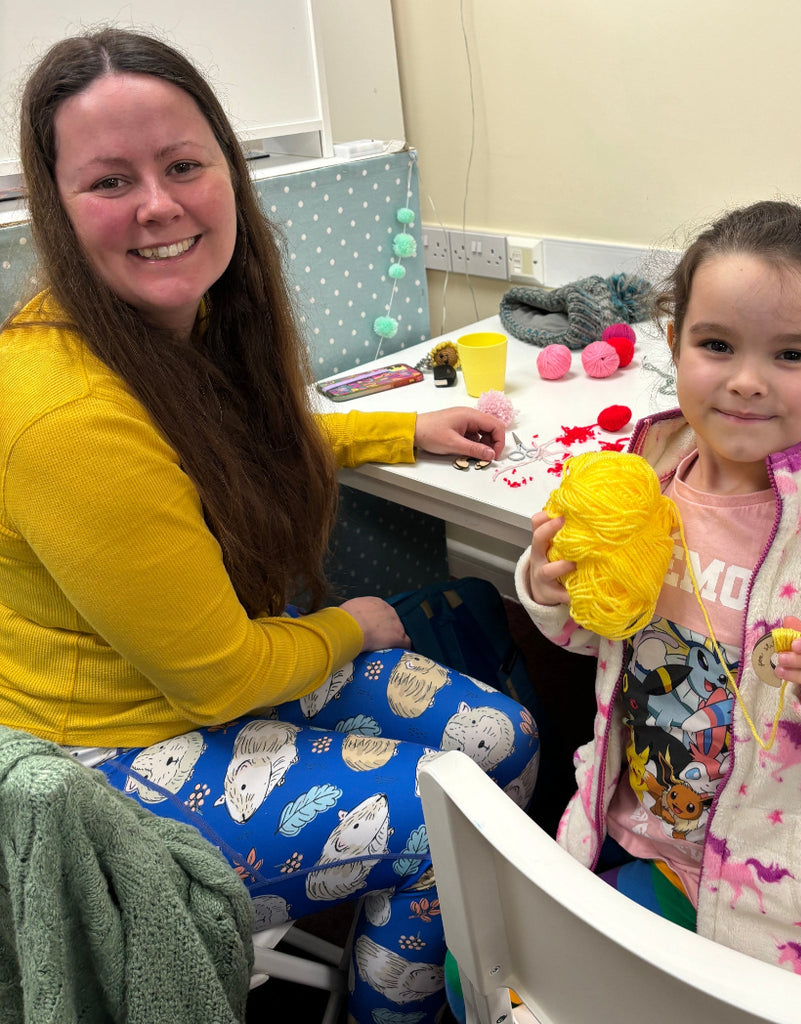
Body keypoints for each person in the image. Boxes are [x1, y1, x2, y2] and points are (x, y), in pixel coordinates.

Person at [0, 27, 538, 1022]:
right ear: (57, 206)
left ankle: (428, 962)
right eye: (109, 181)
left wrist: (401, 428)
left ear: (228, 174)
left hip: (204, 680)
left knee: (502, 734)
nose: (159, 205)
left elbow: (227, 442)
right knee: (445, 823)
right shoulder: (67, 411)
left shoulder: (167, 321)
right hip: (120, 754)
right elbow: (215, 677)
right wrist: (355, 626)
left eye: (183, 165)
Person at [518, 201, 801, 999]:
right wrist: (551, 593)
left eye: (792, 353)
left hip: (766, 891)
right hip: (610, 823)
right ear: (674, 340)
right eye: (716, 344)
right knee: (490, 964)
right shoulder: (641, 484)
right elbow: (593, 640)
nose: (747, 381)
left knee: (562, 983)